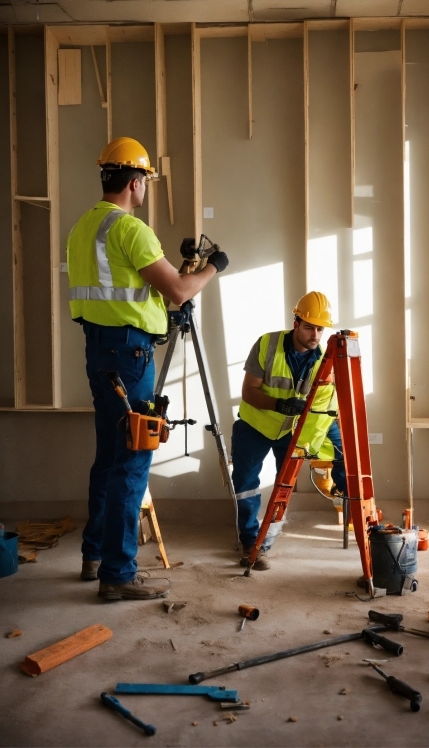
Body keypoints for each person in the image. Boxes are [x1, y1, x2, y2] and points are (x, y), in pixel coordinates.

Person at [67, 137, 229, 600]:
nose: (144, 190)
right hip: (129, 356)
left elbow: (128, 291)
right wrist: (213, 267)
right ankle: (117, 575)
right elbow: (179, 290)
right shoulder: (130, 230)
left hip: (100, 352)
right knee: (133, 460)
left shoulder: (84, 227)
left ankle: (94, 554)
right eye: (145, 183)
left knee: (109, 457)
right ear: (136, 183)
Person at [232, 291, 345, 570]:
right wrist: (280, 404)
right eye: (309, 327)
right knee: (246, 485)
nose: (314, 335)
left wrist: (342, 460)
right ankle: (249, 541)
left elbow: (326, 410)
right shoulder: (267, 344)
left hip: (290, 432)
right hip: (255, 425)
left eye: (320, 328)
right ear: (296, 323)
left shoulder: (326, 358)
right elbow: (249, 392)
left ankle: (264, 544)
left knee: (284, 487)